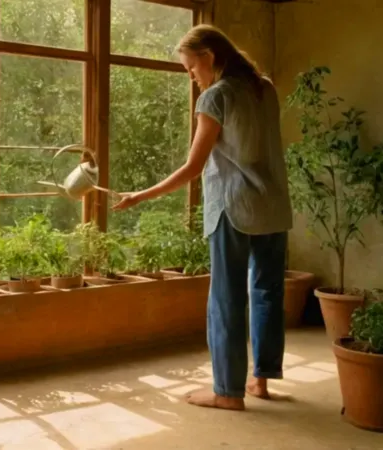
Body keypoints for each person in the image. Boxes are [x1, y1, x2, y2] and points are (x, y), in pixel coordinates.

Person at [112, 24, 293, 411]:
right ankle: (260, 381)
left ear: (209, 57)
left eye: (191, 68)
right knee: (267, 294)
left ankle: (227, 392)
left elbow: (193, 167)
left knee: (226, 299)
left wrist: (140, 195)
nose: (191, 77)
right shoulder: (265, 88)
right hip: (274, 207)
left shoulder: (217, 96)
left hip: (234, 208)